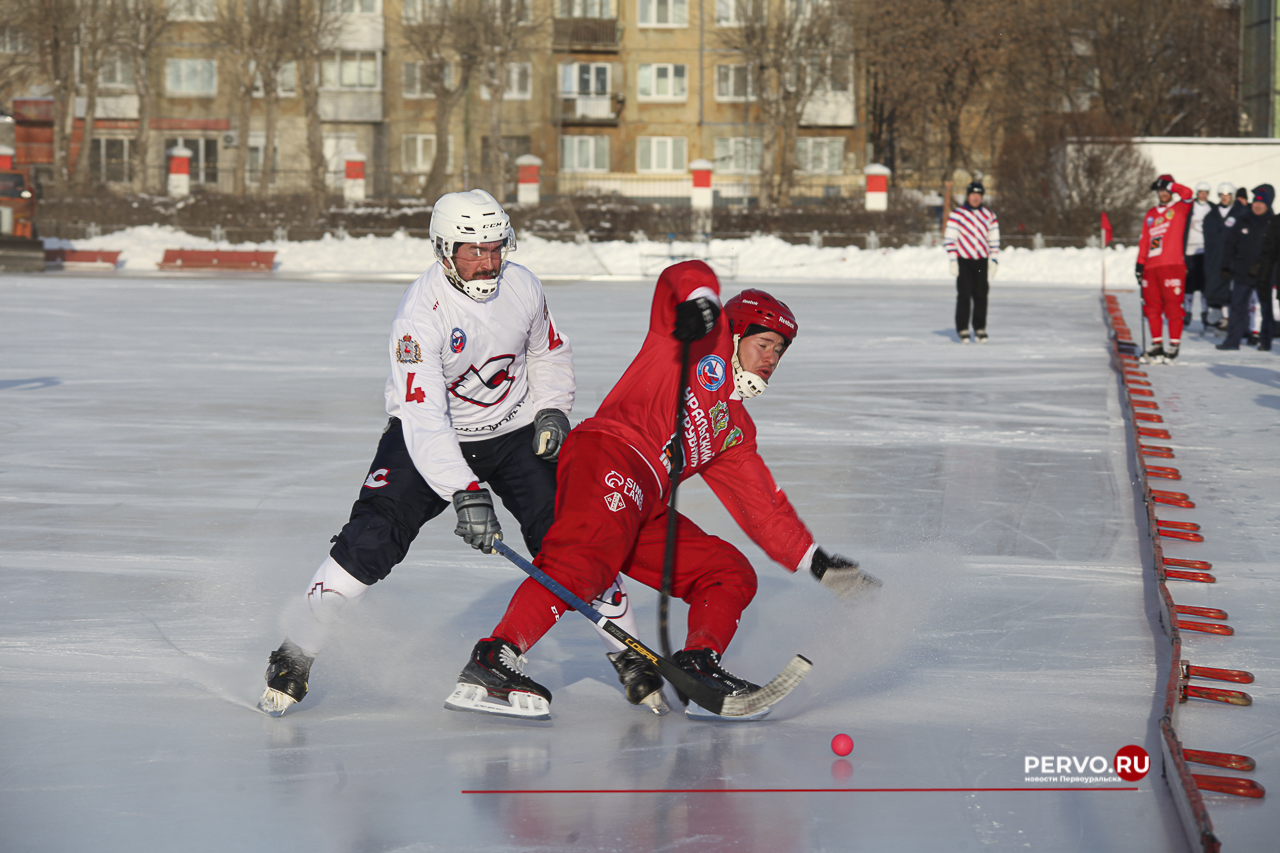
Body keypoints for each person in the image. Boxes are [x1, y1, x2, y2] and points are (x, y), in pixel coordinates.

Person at [257, 189, 656, 717]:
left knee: (575, 535)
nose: (489, 262)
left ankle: (629, 654)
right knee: (373, 537)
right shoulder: (420, 317)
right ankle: (296, 649)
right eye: (475, 251)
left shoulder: (523, 285)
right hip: (430, 434)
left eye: (496, 248)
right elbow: (424, 418)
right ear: (444, 250)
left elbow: (548, 351)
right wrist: (464, 491)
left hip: (514, 433)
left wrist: (553, 410)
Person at [442, 261, 880, 721]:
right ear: (733, 335)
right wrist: (701, 305)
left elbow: (761, 507)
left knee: (729, 572)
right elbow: (683, 274)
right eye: (764, 343)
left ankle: (699, 664)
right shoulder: (693, 341)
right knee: (583, 561)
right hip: (609, 455)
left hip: (644, 501)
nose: (771, 358)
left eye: (780, 351)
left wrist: (816, 561)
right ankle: (495, 657)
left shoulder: (732, 427)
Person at [1135, 175, 1193, 363]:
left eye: (1166, 190)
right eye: (1160, 190)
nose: (1163, 193)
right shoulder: (1151, 214)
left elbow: (1188, 194)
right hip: (1152, 266)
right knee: (1151, 307)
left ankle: (1174, 344)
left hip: (1172, 265)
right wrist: (1140, 264)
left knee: (1173, 305)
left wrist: (1171, 184)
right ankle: (1156, 344)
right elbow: (1145, 240)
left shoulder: (1179, 209)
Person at [1216, 184, 1276, 352]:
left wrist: (1263, 266)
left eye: (1261, 204)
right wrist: (1225, 267)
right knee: (1237, 307)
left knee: (1265, 309)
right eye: (1255, 203)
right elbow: (1230, 246)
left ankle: (1265, 342)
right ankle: (1233, 341)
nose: (1257, 206)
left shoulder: (1273, 223)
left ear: (1267, 205)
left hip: (1264, 275)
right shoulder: (1242, 220)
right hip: (1242, 273)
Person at [943, 180, 1000, 343]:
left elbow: (994, 238)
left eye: (978, 195)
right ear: (968, 196)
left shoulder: (989, 215)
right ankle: (963, 328)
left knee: (981, 294)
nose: (975, 198)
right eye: (972, 195)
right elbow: (950, 238)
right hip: (964, 261)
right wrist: (953, 260)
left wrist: (993, 259)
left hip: (981, 260)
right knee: (964, 294)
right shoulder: (957, 214)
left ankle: (980, 327)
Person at [1202, 181, 1243, 332]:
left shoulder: (1240, 213)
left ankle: (1232, 320)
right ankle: (1220, 318)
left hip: (1234, 259)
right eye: (1222, 195)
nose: (1224, 198)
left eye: (1227, 195)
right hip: (1216, 259)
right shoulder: (1211, 215)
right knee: (1216, 289)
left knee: (1233, 291)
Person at [1183, 181, 1213, 330]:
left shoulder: (1211, 208)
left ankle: (1205, 313)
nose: (1203, 195)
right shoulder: (1190, 207)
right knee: (1189, 284)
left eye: (1205, 192)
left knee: (1204, 285)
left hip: (1205, 252)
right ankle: (1187, 312)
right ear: (1197, 193)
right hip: (1189, 251)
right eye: (1201, 192)